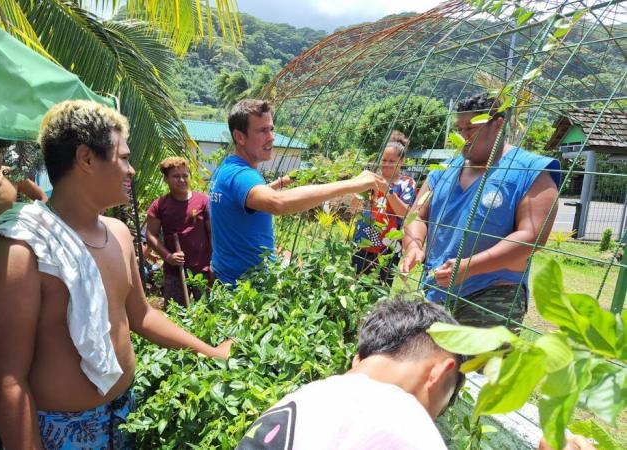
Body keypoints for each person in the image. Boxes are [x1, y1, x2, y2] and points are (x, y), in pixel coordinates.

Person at [0, 100, 231, 449]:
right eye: (124, 158)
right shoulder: (20, 252)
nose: (132, 170)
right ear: (87, 158)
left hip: (126, 415)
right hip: (62, 432)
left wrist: (209, 350)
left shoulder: (119, 234)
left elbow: (141, 315)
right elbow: (7, 380)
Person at [402, 92, 560, 329]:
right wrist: (413, 245)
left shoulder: (530, 171)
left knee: (481, 366)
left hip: (492, 295)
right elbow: (417, 216)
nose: (464, 136)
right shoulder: (444, 170)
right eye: (460, 128)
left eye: (472, 128)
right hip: (437, 290)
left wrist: (469, 267)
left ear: (498, 124)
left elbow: (532, 236)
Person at [236, 299, 465, 449]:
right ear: (439, 372)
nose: (431, 419)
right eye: (438, 410)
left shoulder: (302, 399)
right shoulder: (405, 420)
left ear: (358, 360)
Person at [209, 99, 388, 285]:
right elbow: (277, 203)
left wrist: (282, 182)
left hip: (229, 279)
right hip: (245, 290)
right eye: (262, 130)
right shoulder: (242, 175)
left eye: (271, 129)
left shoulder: (226, 170)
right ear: (240, 137)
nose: (271, 137)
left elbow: (243, 201)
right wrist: (353, 183)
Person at [352, 131, 416, 285]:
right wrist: (356, 193)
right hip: (362, 241)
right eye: (384, 160)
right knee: (355, 284)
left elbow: (405, 213)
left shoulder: (407, 183)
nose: (386, 164)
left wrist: (387, 190)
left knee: (380, 287)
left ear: (401, 162)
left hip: (389, 247)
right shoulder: (370, 179)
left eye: (391, 161)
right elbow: (355, 207)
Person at [146, 156, 212, 305]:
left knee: (208, 314)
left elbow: (212, 233)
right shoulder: (159, 205)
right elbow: (151, 235)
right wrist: (168, 256)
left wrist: (214, 263)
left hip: (202, 270)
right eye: (176, 176)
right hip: (174, 272)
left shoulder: (203, 201)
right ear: (166, 179)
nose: (182, 180)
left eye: (185, 175)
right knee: (177, 316)